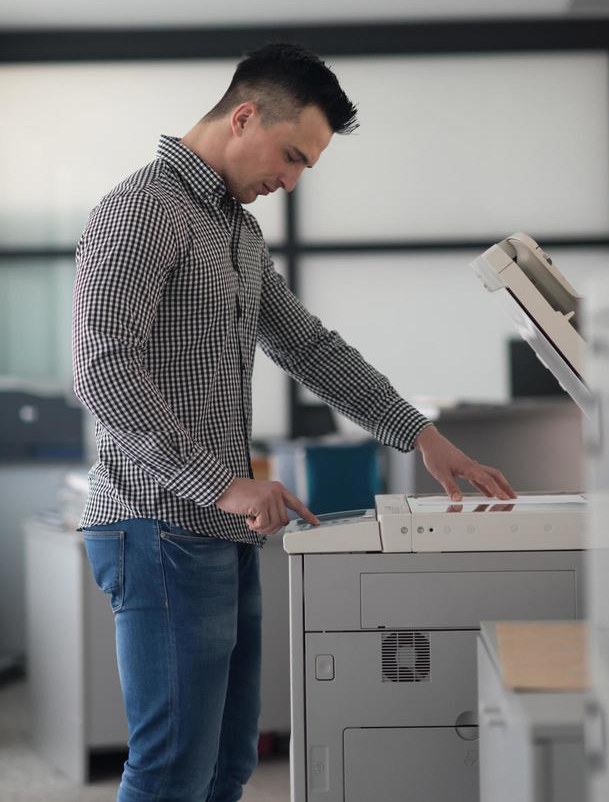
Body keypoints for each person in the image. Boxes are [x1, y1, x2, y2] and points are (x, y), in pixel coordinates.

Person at [72, 42, 516, 802]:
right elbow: (103, 369)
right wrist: (224, 485)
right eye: (291, 155)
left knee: (227, 767)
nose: (291, 178)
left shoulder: (237, 232)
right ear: (242, 116)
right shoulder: (143, 210)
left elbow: (309, 347)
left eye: (306, 164)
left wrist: (423, 436)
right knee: (172, 766)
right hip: (158, 526)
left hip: (218, 528)